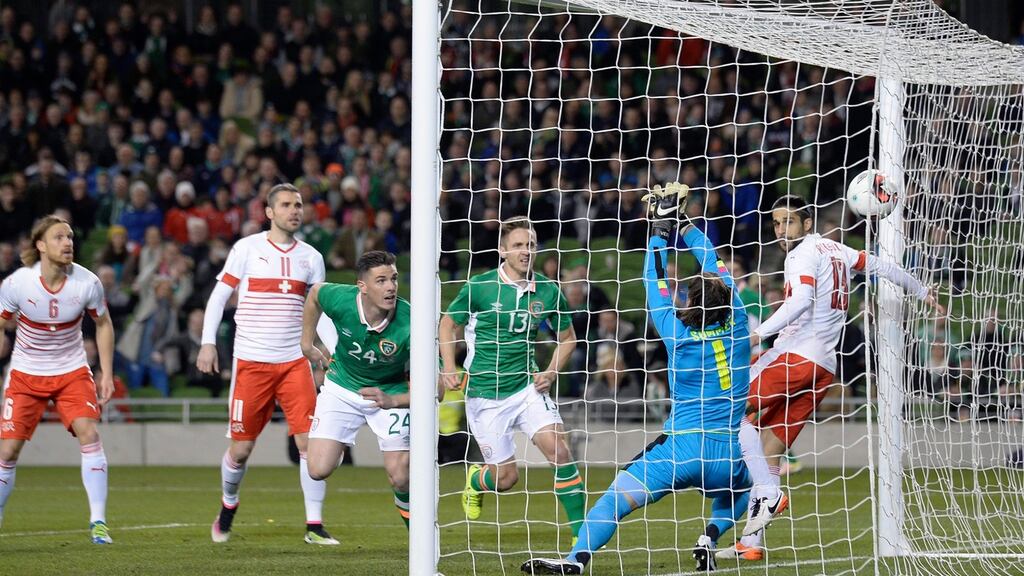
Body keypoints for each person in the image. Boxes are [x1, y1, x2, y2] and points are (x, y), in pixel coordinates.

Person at [522, 182, 752, 574]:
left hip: (677, 453)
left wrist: (660, 232)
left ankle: (575, 561)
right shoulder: (741, 327)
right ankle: (710, 536)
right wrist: (685, 224)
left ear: (689, 303)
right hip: (724, 456)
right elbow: (715, 263)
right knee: (744, 488)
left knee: (614, 499)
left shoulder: (677, 334)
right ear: (728, 300)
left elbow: (654, 281)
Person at [730, 194, 945, 559]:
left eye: (790, 222)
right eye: (778, 223)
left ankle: (770, 495)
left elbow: (800, 300)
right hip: (824, 369)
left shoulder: (800, 255)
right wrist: (922, 290)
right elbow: (879, 265)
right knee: (771, 451)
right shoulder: (837, 250)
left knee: (729, 410)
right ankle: (751, 544)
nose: (782, 230)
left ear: (808, 223)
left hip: (794, 357)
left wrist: (758, 333)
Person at [197, 183, 337, 545]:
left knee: (310, 445)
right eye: (287, 205)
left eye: (299, 205)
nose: (295, 210)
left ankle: (314, 525)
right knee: (241, 450)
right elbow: (219, 297)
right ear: (270, 212)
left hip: (294, 362)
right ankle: (228, 504)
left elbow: (319, 310)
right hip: (252, 363)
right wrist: (208, 343)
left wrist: (334, 351)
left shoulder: (311, 257)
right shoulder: (247, 249)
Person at [439, 217, 583, 543]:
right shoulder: (479, 287)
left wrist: (550, 372)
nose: (526, 251)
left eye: (531, 245)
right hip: (484, 395)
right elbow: (447, 325)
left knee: (560, 451)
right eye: (518, 245)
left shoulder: (548, 290)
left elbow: (568, 337)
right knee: (506, 478)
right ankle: (477, 481)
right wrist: (450, 367)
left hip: (527, 388)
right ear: (503, 250)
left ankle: (580, 537)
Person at [0, 215, 116, 544]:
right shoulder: (17, 283)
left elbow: (104, 324)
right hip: (25, 373)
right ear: (40, 246)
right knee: (7, 452)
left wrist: (106, 372)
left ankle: (98, 522)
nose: (68, 243)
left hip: (71, 371)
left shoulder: (87, 283)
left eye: (70, 237)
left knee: (89, 432)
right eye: (59, 237)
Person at [299, 251, 413, 529]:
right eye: (381, 280)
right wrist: (306, 342)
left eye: (394, 279)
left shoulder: (412, 321)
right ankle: (336, 444)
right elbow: (314, 293)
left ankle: (418, 538)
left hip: (390, 391)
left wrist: (394, 400)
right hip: (342, 387)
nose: (390, 287)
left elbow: (437, 390)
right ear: (362, 286)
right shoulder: (342, 299)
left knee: (400, 476)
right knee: (317, 469)